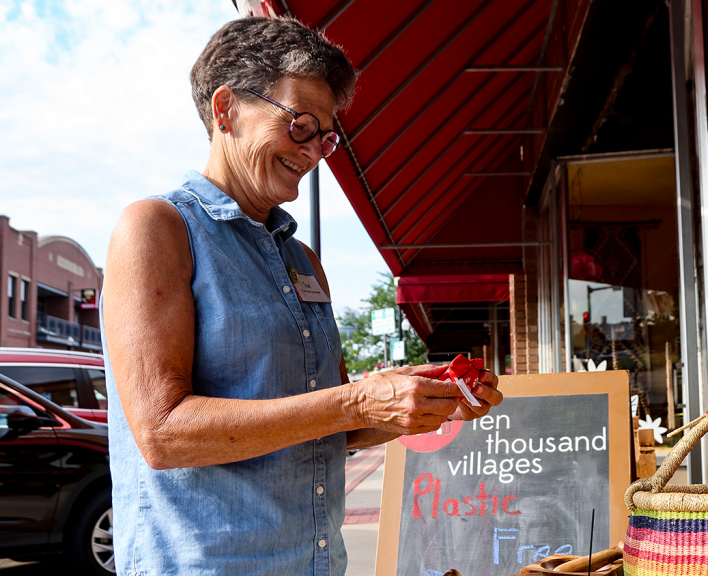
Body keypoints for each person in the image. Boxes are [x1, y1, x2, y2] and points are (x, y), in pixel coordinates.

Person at [101, 16, 502, 576]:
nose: (315, 151)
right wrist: (359, 400)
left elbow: (333, 427)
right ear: (226, 110)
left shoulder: (301, 259)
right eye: (301, 125)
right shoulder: (158, 228)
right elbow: (163, 434)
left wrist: (419, 403)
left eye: (326, 137)